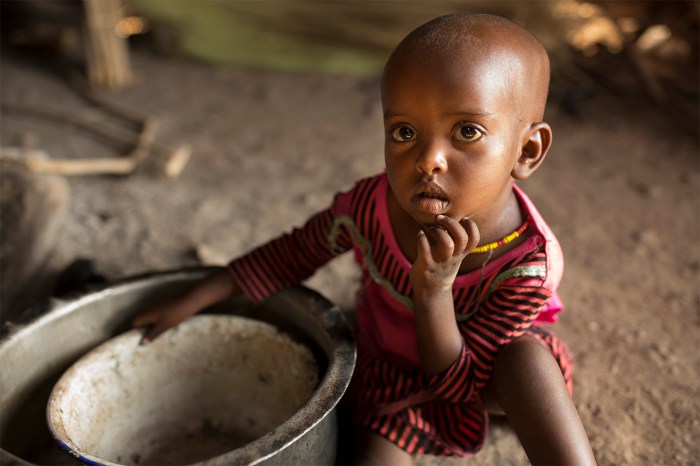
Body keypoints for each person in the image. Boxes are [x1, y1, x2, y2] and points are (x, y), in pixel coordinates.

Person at [133, 13, 596, 465]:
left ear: (527, 150)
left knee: (529, 363)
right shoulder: (369, 207)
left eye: (467, 131)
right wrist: (197, 295)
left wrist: (432, 291)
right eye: (405, 132)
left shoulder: (526, 266)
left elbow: (459, 385)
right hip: (391, 372)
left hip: (480, 378)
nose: (429, 159)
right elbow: (296, 251)